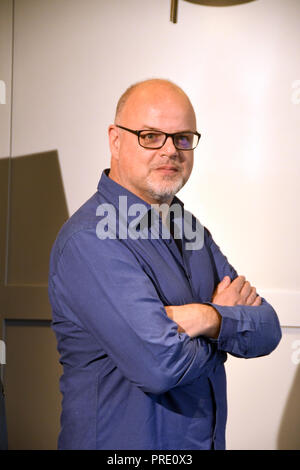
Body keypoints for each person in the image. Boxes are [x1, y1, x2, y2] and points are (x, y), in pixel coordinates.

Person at [48, 78, 281, 450]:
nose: (170, 150)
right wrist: (227, 324)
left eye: (183, 138)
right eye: (151, 135)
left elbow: (268, 328)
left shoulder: (190, 230)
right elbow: (161, 367)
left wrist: (208, 318)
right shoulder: (90, 240)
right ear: (115, 139)